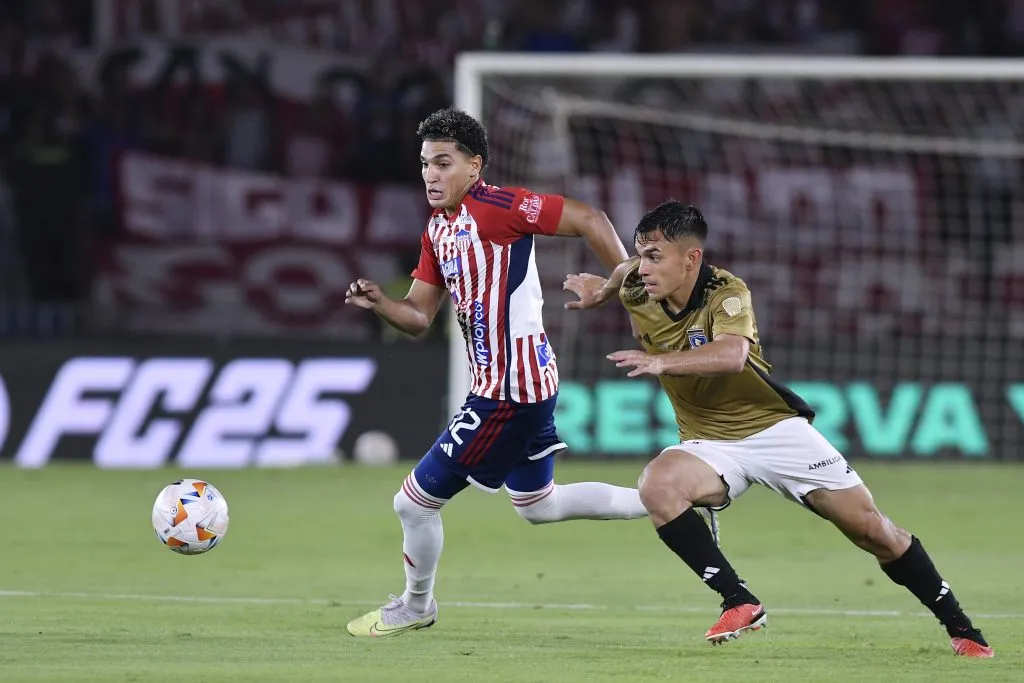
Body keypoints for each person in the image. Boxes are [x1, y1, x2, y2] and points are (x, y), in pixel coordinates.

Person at [562, 200, 994, 657]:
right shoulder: (634, 282)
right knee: (658, 484)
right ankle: (740, 600)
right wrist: (601, 291)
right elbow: (622, 272)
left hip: (773, 430)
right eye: (641, 254)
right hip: (708, 442)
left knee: (872, 531)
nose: (643, 267)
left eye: (655, 256)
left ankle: (962, 628)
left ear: (691, 258)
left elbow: (731, 356)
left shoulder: (726, 292)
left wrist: (660, 361)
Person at [343, 107, 650, 637]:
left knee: (412, 503)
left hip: (510, 390)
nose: (431, 176)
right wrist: (380, 304)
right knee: (540, 505)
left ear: (473, 166)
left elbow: (589, 219)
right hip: (520, 384)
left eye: (443, 163)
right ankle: (672, 496)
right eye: (425, 165)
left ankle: (417, 606)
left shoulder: (498, 206)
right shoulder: (438, 230)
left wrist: (619, 278)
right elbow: (418, 316)